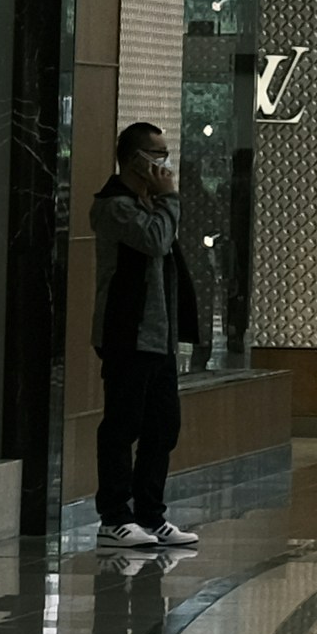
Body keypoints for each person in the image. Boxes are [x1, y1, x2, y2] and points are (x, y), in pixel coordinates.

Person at [84, 122, 206, 551]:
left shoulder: (148, 204)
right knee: (122, 426)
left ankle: (150, 514)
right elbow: (154, 240)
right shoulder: (113, 206)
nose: (164, 163)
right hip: (127, 334)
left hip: (159, 337)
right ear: (134, 159)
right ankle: (114, 517)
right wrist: (169, 199)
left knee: (162, 427)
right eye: (156, 154)